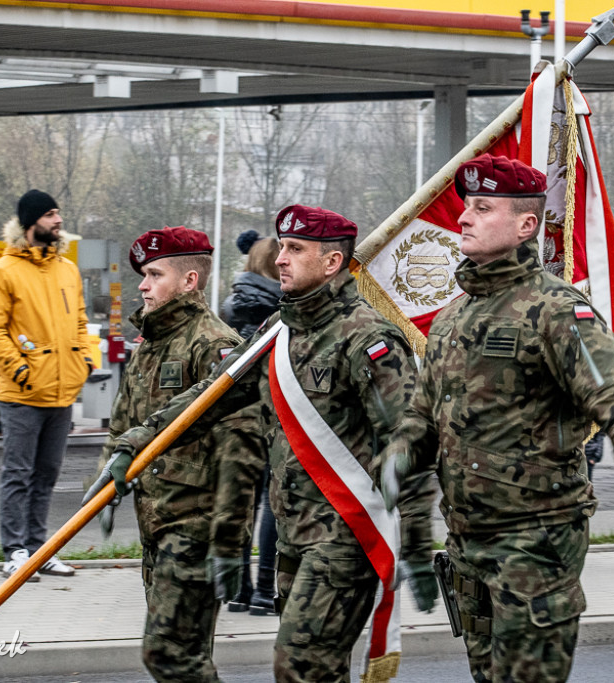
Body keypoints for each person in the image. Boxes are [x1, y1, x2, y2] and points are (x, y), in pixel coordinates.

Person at [380, 154, 614, 683]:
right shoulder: (453, 318)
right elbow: (423, 419)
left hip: (536, 541)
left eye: (483, 208)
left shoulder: (557, 312)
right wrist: (405, 501)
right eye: (466, 207)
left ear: (526, 225)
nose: (463, 218)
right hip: (467, 544)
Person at [105, 205, 437, 683]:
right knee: (312, 673)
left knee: (300, 668)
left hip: (346, 537)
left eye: (295, 249)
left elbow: (414, 441)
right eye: (281, 247)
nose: (280, 258)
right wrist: (138, 440)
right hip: (294, 536)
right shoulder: (278, 332)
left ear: (331, 264)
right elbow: (213, 393)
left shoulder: (367, 337)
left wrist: (419, 547)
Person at [84, 226, 263, 682]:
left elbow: (241, 449)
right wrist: (105, 481)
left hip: (196, 530)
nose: (143, 285)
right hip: (157, 526)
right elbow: (124, 426)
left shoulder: (214, 345)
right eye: (144, 275)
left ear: (189, 281)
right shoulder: (151, 346)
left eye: (154, 274)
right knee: (183, 658)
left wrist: (230, 541)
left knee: (170, 657)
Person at [0, 189, 93, 581]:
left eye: (58, 213)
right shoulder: (3, 272)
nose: (58, 220)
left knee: (46, 475)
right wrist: (22, 371)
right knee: (18, 474)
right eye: (50, 214)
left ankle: (39, 549)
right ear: (31, 223)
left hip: (61, 392)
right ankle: (14, 552)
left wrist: (85, 362)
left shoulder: (67, 269)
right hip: (22, 395)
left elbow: (80, 323)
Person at [220, 234, 284, 616]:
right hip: (275, 411)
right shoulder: (286, 306)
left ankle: (239, 590)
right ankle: (264, 589)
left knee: (242, 502)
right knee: (272, 504)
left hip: (237, 415)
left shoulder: (231, 306)